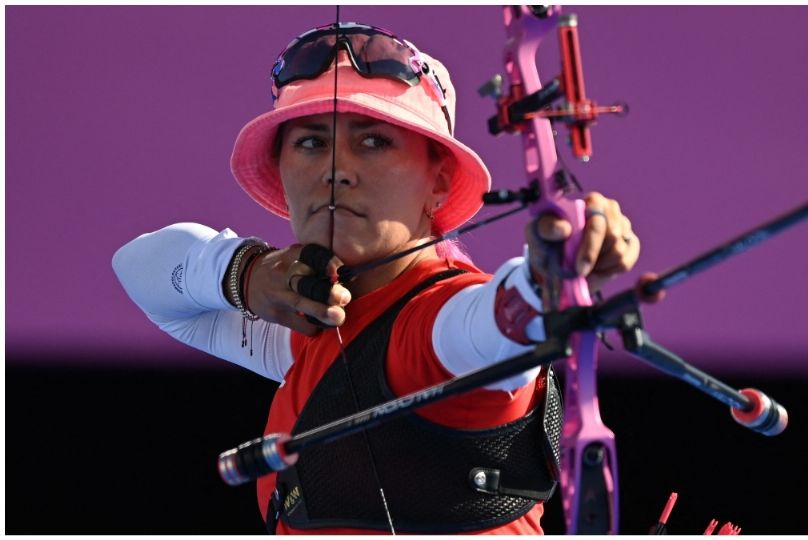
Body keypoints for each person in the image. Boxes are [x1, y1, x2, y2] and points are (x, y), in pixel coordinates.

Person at [113, 22, 651, 535]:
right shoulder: (311, 330)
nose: (335, 169)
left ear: (438, 179)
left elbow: (492, 323)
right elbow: (141, 268)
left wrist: (548, 278)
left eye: (373, 142)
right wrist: (246, 272)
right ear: (281, 169)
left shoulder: (434, 325)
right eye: (309, 142)